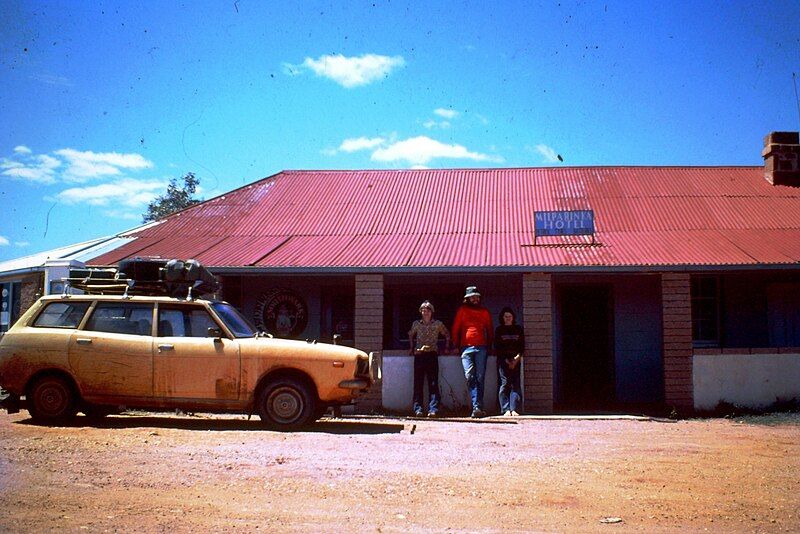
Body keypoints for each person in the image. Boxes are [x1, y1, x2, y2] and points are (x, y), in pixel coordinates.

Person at [450, 286, 493, 418]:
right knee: (470, 377)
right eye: (473, 297)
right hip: (466, 348)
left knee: (480, 378)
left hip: (482, 348)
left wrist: (490, 346)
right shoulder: (462, 311)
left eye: (477, 296)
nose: (475, 299)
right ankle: (477, 406)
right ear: (467, 298)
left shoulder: (485, 312)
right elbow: (455, 329)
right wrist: (456, 345)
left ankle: (477, 407)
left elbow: (490, 330)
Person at [408, 300, 450, 417]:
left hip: (432, 354)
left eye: (428, 310)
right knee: (418, 382)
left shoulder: (437, 324)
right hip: (419, 355)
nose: (425, 312)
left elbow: (446, 334)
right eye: (423, 310)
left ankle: (433, 409)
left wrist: (446, 347)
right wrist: (411, 348)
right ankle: (418, 409)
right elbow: (411, 335)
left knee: (433, 382)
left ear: (432, 312)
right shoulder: (416, 324)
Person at [494, 307, 524, 416]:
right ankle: (505, 409)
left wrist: (516, 359)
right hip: (503, 361)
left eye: (510, 316)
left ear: (513, 318)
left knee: (515, 384)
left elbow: (522, 346)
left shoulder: (518, 329)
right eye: (506, 316)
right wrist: (507, 361)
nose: (508, 318)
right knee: (505, 383)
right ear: (502, 318)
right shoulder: (499, 330)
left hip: (516, 359)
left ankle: (514, 408)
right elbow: (497, 347)